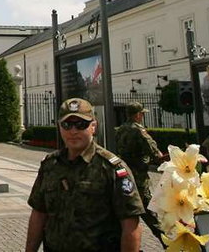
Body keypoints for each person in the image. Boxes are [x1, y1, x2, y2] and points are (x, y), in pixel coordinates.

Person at [25, 98, 144, 252]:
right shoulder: (50, 165)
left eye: (81, 125)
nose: (73, 131)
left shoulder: (112, 168)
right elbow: (39, 214)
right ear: (60, 127)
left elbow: (130, 225)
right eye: (67, 125)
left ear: (93, 126)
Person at [115, 101, 164, 241]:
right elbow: (154, 151)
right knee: (150, 213)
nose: (142, 116)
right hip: (139, 175)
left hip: (126, 175)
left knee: (127, 211)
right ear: (137, 115)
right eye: (141, 114)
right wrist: (161, 158)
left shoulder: (121, 129)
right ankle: (168, 242)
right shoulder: (138, 130)